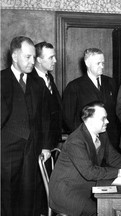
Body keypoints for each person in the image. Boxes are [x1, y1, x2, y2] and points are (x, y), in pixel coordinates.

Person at [49, 101, 121, 215]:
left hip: (85, 186)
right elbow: (89, 172)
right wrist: (120, 172)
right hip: (67, 192)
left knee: (113, 205)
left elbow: (112, 157)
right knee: (105, 210)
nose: (107, 121)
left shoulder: (102, 134)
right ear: (90, 121)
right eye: (103, 118)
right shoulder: (76, 140)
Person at [1, 36, 51, 216]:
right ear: (14, 56)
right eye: (27, 57)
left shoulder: (38, 83)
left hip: (32, 151)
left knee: (30, 199)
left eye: (33, 57)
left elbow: (45, 117)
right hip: (6, 153)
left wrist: (45, 145)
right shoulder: (1, 80)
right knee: (7, 199)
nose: (32, 62)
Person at [62, 48, 120, 150]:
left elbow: (116, 113)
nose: (102, 66)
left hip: (111, 142)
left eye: (103, 63)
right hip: (86, 143)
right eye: (98, 63)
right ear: (87, 63)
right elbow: (69, 118)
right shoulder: (74, 86)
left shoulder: (111, 83)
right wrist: (85, 137)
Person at [31, 41, 62, 148]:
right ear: (39, 60)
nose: (55, 60)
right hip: (39, 142)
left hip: (52, 140)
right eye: (51, 57)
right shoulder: (29, 80)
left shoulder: (50, 78)